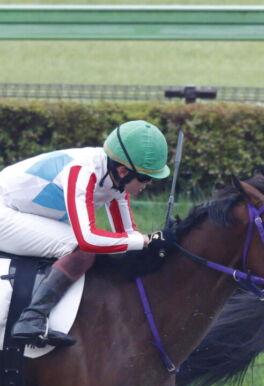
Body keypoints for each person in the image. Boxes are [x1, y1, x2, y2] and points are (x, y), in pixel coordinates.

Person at [0, 119, 169, 347]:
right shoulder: (83, 172)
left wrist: (155, 245)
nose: (147, 185)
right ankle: (32, 318)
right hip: (4, 211)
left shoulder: (116, 181)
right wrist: (143, 241)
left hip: (22, 211)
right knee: (81, 249)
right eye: (146, 178)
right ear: (123, 171)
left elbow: (128, 234)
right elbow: (87, 239)